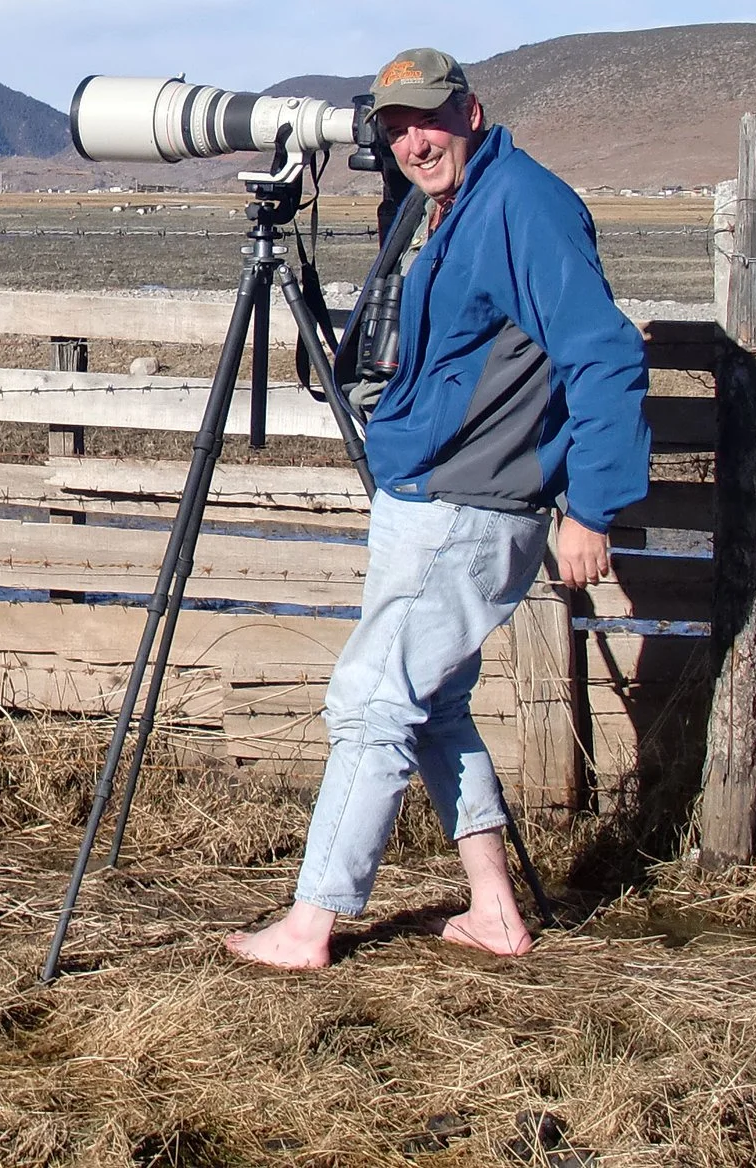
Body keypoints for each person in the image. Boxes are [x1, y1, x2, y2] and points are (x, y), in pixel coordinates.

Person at [224, 48, 650, 969]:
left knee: (372, 700)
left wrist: (594, 508)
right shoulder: (456, 205)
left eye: (429, 120)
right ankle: (494, 909)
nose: (414, 142)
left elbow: (605, 353)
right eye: (395, 128)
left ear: (472, 112)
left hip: (469, 500)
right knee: (435, 704)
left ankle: (310, 924)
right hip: (437, 490)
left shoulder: (522, 205)